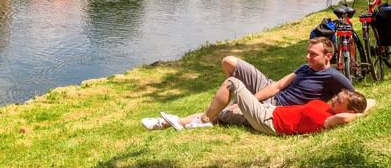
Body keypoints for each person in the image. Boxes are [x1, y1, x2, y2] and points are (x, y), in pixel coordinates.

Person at [141, 37, 353, 130]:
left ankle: (171, 123)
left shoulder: (334, 77)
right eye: (307, 52)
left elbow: (356, 99)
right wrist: (252, 97)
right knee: (229, 62)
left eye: (313, 54)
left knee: (223, 110)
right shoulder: (304, 67)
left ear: (328, 56)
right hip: (271, 92)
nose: (307, 57)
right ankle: (204, 115)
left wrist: (249, 102)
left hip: (275, 109)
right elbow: (278, 86)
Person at [152, 78, 372, 135]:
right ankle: (170, 123)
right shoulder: (329, 109)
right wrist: (366, 106)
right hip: (269, 112)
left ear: (349, 110)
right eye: (337, 96)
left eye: (339, 100)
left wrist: (358, 114)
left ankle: (203, 122)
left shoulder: (331, 119)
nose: (334, 99)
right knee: (222, 112)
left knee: (233, 83)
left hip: (269, 122)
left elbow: (345, 119)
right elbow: (369, 102)